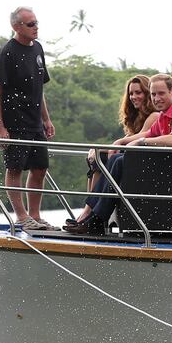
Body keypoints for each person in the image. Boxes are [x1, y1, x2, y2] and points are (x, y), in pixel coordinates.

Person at [65, 73, 172, 236]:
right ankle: (94, 217)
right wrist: (119, 143)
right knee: (117, 158)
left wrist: (140, 143)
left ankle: (96, 219)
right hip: (171, 172)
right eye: (153, 94)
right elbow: (148, 134)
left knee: (120, 161)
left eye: (161, 93)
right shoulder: (163, 117)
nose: (156, 98)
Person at [0, 7, 56, 231]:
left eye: (37, 23)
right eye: (30, 24)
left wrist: (46, 119)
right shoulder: (8, 52)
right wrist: (0, 126)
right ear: (16, 27)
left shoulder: (37, 48)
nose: (36, 27)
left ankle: (35, 215)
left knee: (40, 168)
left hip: (34, 121)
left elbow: (40, 88)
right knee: (15, 168)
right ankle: (21, 216)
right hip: (14, 121)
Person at [66, 75, 160, 228]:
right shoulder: (136, 117)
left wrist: (110, 146)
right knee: (98, 158)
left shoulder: (155, 116)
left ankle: (88, 214)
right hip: (132, 161)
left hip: (142, 166)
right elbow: (125, 141)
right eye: (131, 94)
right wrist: (96, 150)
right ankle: (88, 213)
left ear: (147, 93)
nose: (134, 97)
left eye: (138, 92)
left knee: (104, 158)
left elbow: (137, 139)